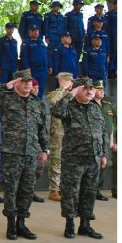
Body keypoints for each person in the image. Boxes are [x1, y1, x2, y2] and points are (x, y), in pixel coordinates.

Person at [0, 70, 49, 241]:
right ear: (16, 82)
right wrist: (6, 86)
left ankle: (22, 223)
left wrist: (44, 149)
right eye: (23, 81)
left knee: (27, 189)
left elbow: (42, 129)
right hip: (11, 152)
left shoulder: (36, 103)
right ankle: (11, 224)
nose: (27, 84)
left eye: (30, 82)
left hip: (31, 152)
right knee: (11, 189)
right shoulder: (5, 98)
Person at [50, 77, 108, 239]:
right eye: (85, 88)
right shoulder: (69, 107)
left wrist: (103, 154)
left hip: (93, 158)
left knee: (89, 193)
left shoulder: (96, 108)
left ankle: (85, 225)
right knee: (70, 193)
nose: (90, 91)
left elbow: (102, 132)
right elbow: (56, 111)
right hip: (73, 159)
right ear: (77, 90)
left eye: (91, 88)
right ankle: (70, 225)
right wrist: (70, 94)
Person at [45, 73, 74, 201]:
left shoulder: (72, 95)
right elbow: (52, 101)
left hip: (71, 134)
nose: (70, 83)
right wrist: (62, 88)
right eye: (68, 81)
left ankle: (63, 188)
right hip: (57, 135)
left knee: (68, 163)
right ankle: (54, 190)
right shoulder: (54, 94)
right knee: (56, 162)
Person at [94, 82, 116, 201]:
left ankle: (97, 190)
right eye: (98, 89)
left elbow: (110, 125)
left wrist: (112, 141)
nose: (102, 91)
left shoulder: (107, 105)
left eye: (102, 89)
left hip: (106, 139)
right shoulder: (90, 104)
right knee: (93, 166)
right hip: (94, 139)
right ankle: (89, 190)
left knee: (103, 164)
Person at [20, 26, 49, 99]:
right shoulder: (26, 42)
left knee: (41, 88)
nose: (35, 32)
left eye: (37, 30)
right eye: (33, 31)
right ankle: (31, 105)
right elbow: (24, 57)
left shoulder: (41, 42)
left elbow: (46, 54)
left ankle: (38, 105)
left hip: (43, 70)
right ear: (30, 32)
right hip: (33, 70)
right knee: (31, 88)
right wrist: (27, 68)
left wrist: (49, 66)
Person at [29, 80, 46, 204]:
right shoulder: (20, 101)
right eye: (34, 87)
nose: (36, 90)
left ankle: (31, 190)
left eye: (38, 87)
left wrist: (45, 148)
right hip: (24, 142)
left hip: (37, 142)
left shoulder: (40, 104)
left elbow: (43, 125)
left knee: (39, 168)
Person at [105, 0, 117, 78]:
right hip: (112, 36)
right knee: (112, 53)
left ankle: (115, 69)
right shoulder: (109, 14)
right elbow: (106, 26)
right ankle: (111, 71)